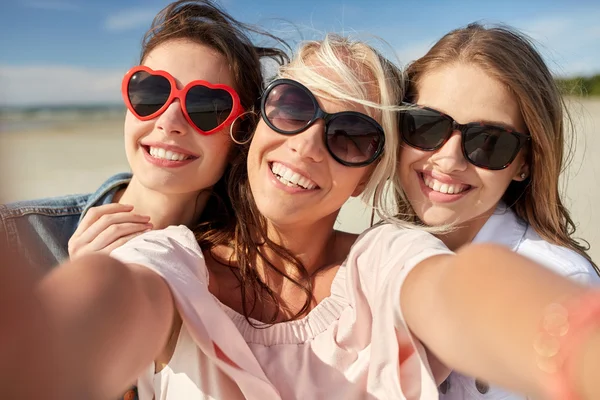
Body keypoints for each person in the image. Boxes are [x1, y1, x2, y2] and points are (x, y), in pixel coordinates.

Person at [33, 33, 600, 400]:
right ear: (255, 124)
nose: (306, 145)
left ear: (370, 176)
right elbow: (116, 299)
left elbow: (461, 287)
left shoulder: (382, 262)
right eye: (292, 108)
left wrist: (575, 345)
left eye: (349, 137)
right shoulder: (173, 259)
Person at [0, 0, 289, 274]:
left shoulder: (253, 271)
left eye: (206, 106)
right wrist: (76, 293)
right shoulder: (17, 238)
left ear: (242, 133)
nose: (168, 122)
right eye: (153, 93)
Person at [395, 23, 600, 399]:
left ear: (525, 162)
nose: (449, 158)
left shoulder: (559, 277)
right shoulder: (379, 257)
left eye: (489, 141)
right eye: (425, 125)